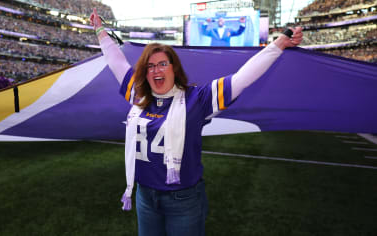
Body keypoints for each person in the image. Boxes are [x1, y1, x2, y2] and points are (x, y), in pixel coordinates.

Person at [90, 8, 302, 236]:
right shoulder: (139, 94)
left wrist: (278, 44)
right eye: (150, 66)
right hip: (145, 195)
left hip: (182, 199)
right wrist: (100, 30)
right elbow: (116, 62)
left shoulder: (196, 99)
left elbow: (242, 78)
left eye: (162, 64)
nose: (156, 70)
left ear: (174, 69)